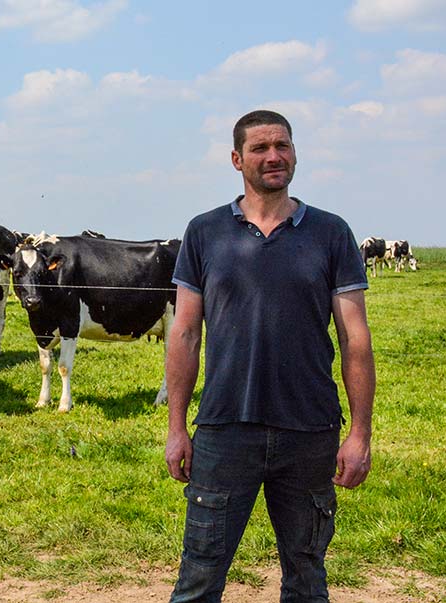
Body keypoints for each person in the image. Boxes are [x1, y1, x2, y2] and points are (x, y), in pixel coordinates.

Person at [164, 109, 375, 602]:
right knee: (199, 578)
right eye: (259, 148)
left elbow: (354, 339)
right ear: (237, 159)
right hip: (223, 429)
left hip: (309, 431)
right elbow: (186, 334)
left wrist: (360, 433)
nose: (273, 156)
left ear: (295, 154)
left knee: (306, 578)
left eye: (282, 145)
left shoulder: (330, 232)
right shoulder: (205, 231)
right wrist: (177, 427)